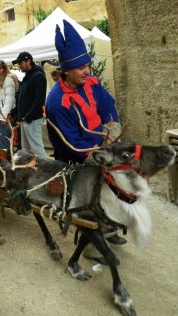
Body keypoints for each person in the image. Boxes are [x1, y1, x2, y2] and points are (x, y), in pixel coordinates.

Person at [46, 20, 126, 256]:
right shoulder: (56, 102)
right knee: (92, 193)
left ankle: (109, 227)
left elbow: (107, 106)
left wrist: (110, 129)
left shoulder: (92, 82)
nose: (86, 71)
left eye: (87, 65)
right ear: (66, 71)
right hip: (77, 156)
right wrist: (99, 148)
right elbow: (70, 143)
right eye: (80, 67)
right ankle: (91, 243)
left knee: (121, 182)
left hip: (103, 142)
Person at [12, 52, 47, 159]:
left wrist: (29, 116)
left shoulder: (38, 76)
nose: (19, 66)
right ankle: (28, 171)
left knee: (37, 148)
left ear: (28, 61)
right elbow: (22, 99)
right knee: (25, 150)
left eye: (21, 63)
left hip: (32, 119)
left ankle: (45, 172)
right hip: (26, 119)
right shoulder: (28, 76)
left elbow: (39, 99)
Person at [0, 60, 19, 150]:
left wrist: (4, 116)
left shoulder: (8, 79)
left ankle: (7, 161)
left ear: (4, 68)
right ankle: (6, 160)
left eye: (0, 68)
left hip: (6, 116)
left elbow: (9, 100)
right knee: (1, 139)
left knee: (4, 140)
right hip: (1, 114)